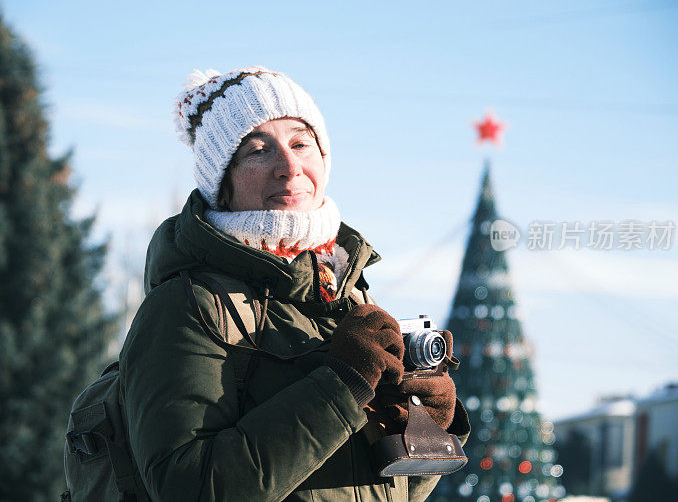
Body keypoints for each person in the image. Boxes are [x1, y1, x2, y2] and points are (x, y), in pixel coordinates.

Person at [120, 66, 468, 501]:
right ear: (221, 186)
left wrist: (424, 432)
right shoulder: (189, 304)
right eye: (257, 151)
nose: (289, 167)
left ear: (324, 159)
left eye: (301, 143)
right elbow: (186, 487)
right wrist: (341, 385)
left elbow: (391, 494)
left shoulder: (349, 294)